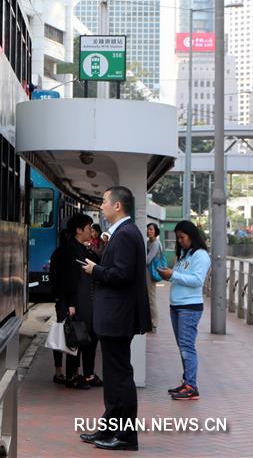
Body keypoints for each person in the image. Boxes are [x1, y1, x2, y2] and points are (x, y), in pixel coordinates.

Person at [80, 187, 150, 451]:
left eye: (104, 201)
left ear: (118, 206)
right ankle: (109, 429)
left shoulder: (126, 235)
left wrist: (94, 269)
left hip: (117, 317)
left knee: (119, 377)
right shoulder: (124, 233)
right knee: (113, 376)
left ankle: (125, 436)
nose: (101, 206)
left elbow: (121, 274)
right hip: (115, 317)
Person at [157, 220, 210, 401]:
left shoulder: (200, 256)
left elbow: (197, 281)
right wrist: (170, 274)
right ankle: (187, 381)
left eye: (182, 237)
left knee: (187, 346)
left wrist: (173, 274)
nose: (179, 241)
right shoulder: (185, 255)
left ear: (191, 236)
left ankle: (191, 386)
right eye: (177, 238)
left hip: (189, 307)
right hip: (177, 306)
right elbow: (181, 278)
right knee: (183, 346)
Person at [50, 213, 102, 389]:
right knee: (76, 337)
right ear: (79, 230)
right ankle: (73, 376)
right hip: (76, 302)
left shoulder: (81, 249)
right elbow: (69, 280)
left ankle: (85, 374)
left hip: (84, 301)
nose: (91, 232)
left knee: (86, 337)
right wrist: (70, 304)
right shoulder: (71, 250)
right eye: (89, 228)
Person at [145, 222, 162, 332]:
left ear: (156, 231)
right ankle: (149, 321)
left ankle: (154, 323)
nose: (149, 231)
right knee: (148, 297)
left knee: (151, 298)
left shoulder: (156, 243)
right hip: (146, 271)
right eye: (148, 229)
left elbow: (148, 260)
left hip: (151, 272)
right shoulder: (147, 242)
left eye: (151, 229)